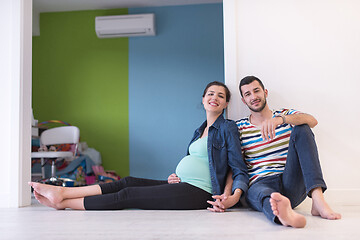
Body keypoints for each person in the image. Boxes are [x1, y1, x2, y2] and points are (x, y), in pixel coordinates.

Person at [29, 81, 249, 211]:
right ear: (203, 99)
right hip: (184, 184)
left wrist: (230, 197)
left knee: (129, 194)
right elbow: (199, 161)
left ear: (226, 104)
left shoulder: (228, 127)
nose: (215, 98)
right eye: (210, 94)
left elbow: (235, 167)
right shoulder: (199, 130)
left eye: (221, 96)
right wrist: (176, 174)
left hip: (202, 192)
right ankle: (64, 192)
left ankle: (64, 202)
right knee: (127, 181)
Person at [208, 76, 341, 228]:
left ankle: (318, 199)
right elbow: (236, 166)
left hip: (290, 181)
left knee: (303, 128)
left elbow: (312, 121)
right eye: (248, 94)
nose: (254, 97)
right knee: (260, 194)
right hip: (260, 182)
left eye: (256, 91)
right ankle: (283, 216)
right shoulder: (239, 127)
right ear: (244, 100)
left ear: (265, 92)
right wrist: (230, 194)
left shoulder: (285, 114)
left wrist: (281, 120)